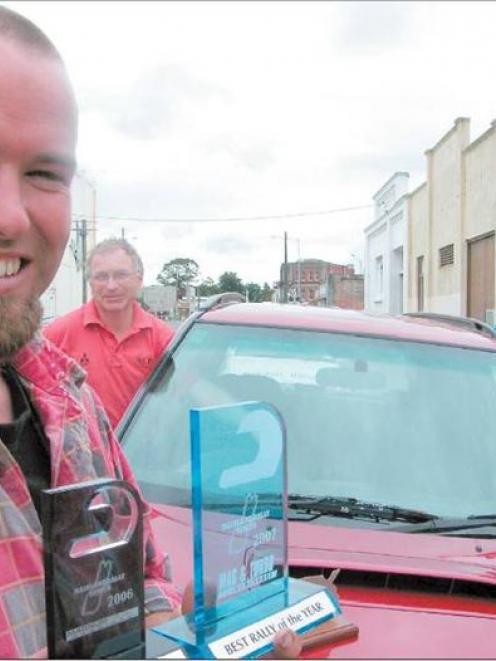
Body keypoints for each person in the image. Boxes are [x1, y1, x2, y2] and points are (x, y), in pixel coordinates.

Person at [0, 6, 302, 658]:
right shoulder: (67, 339)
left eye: (44, 173)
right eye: (99, 274)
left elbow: (141, 584)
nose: (8, 213)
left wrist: (182, 644)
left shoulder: (72, 403)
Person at [44, 237, 175, 429]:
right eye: (101, 277)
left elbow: (176, 400)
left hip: (139, 451)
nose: (111, 286)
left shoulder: (162, 339)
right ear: (90, 282)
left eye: (121, 275)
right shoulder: (57, 335)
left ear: (139, 280)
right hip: (82, 453)